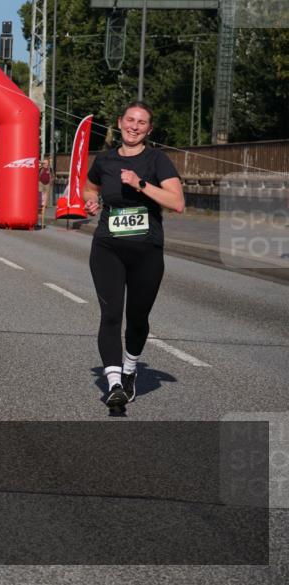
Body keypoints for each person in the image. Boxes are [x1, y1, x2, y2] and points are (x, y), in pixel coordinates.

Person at [82, 101, 184, 412]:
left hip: (147, 251)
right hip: (107, 247)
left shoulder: (157, 160)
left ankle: (129, 369)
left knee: (137, 319)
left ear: (149, 130)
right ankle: (114, 385)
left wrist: (140, 184)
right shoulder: (105, 160)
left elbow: (177, 202)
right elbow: (89, 187)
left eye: (142, 122)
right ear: (119, 122)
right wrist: (90, 202)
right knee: (111, 315)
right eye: (130, 120)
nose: (134, 126)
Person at [38, 157, 53, 227]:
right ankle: (40, 205)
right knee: (40, 194)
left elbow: (53, 175)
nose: (44, 164)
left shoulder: (50, 169)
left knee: (46, 195)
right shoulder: (41, 169)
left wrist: (51, 181)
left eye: (45, 163)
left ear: (48, 163)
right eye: (43, 163)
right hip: (41, 183)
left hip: (47, 184)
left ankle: (44, 206)